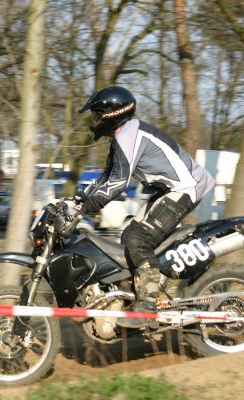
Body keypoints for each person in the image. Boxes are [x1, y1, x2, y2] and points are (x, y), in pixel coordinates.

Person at [73, 85, 214, 329]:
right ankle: (132, 292)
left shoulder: (128, 135)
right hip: (172, 189)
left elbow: (117, 184)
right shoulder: (124, 135)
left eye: (97, 114)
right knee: (127, 234)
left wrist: (85, 207)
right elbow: (106, 178)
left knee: (139, 239)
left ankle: (148, 307)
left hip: (185, 187)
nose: (94, 120)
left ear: (112, 113)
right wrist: (76, 200)